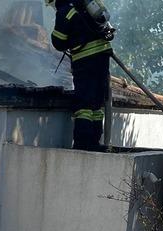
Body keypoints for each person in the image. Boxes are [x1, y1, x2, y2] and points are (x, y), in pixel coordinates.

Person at [46, 0, 114, 151]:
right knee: (97, 102)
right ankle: (94, 143)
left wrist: (70, 37)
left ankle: (82, 143)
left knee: (84, 104)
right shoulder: (83, 5)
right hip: (102, 56)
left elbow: (58, 42)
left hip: (85, 60)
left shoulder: (65, 11)